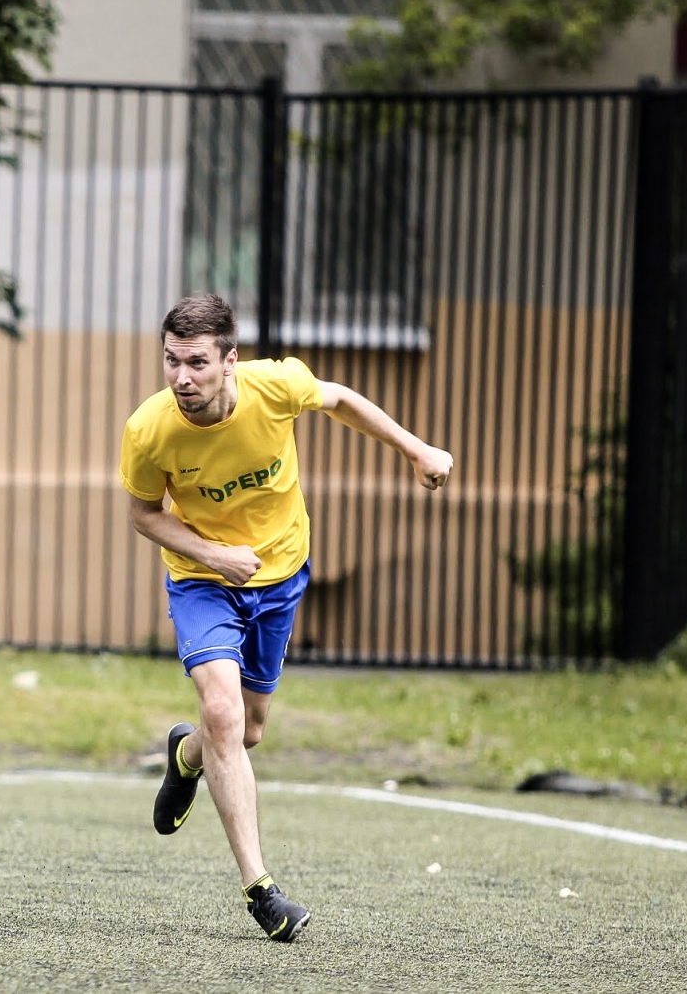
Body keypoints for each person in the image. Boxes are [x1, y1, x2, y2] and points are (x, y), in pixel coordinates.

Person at [120, 293, 453, 942]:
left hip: (280, 576)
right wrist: (214, 553)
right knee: (222, 710)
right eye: (170, 361)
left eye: (196, 362)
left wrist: (416, 449)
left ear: (231, 360)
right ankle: (261, 889)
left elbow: (339, 399)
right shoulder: (149, 428)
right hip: (202, 582)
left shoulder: (275, 386)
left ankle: (184, 756)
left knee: (246, 731)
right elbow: (141, 512)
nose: (181, 378)